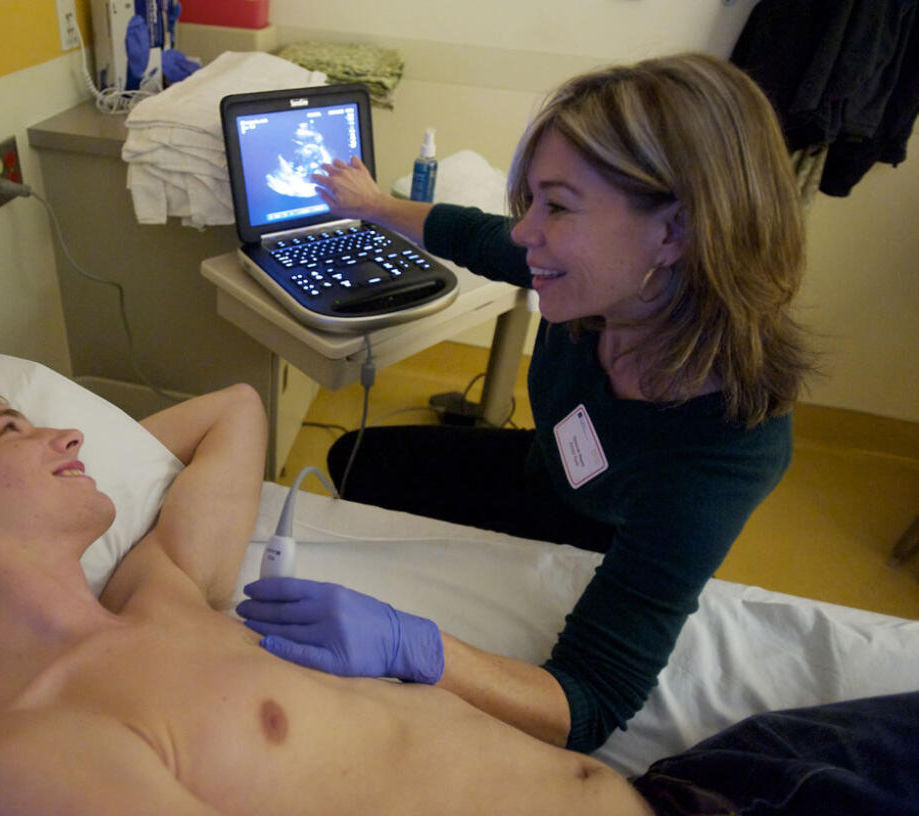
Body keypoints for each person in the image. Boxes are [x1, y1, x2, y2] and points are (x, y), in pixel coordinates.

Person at [0, 382, 919, 816]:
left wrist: (55, 471)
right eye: (13, 429)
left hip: (706, 782)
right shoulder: (23, 757)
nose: (65, 430)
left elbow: (235, 409)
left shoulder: (153, 595)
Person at [237, 52, 817, 753]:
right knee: (353, 459)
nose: (524, 233)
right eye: (530, 202)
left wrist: (413, 646)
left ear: (676, 231)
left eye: (558, 206)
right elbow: (475, 236)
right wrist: (372, 206)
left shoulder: (729, 444)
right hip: (543, 474)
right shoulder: (602, 292)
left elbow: (592, 700)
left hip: (601, 531)